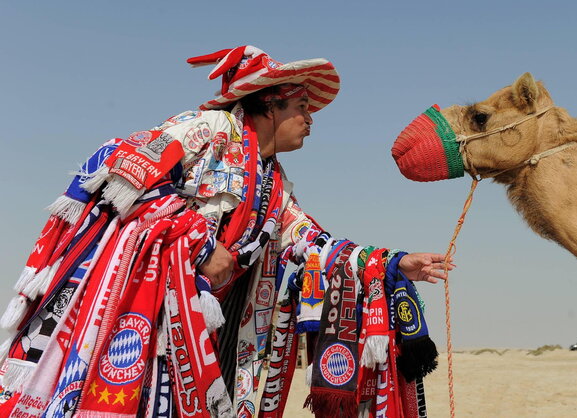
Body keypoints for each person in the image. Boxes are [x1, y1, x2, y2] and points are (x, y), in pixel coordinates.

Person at [0, 45, 450, 417]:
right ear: (269, 106)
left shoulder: (274, 184)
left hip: (197, 325)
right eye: (301, 108)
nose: (310, 121)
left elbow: (309, 242)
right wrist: (200, 241)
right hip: (139, 302)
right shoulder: (208, 129)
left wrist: (392, 262)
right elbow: (121, 161)